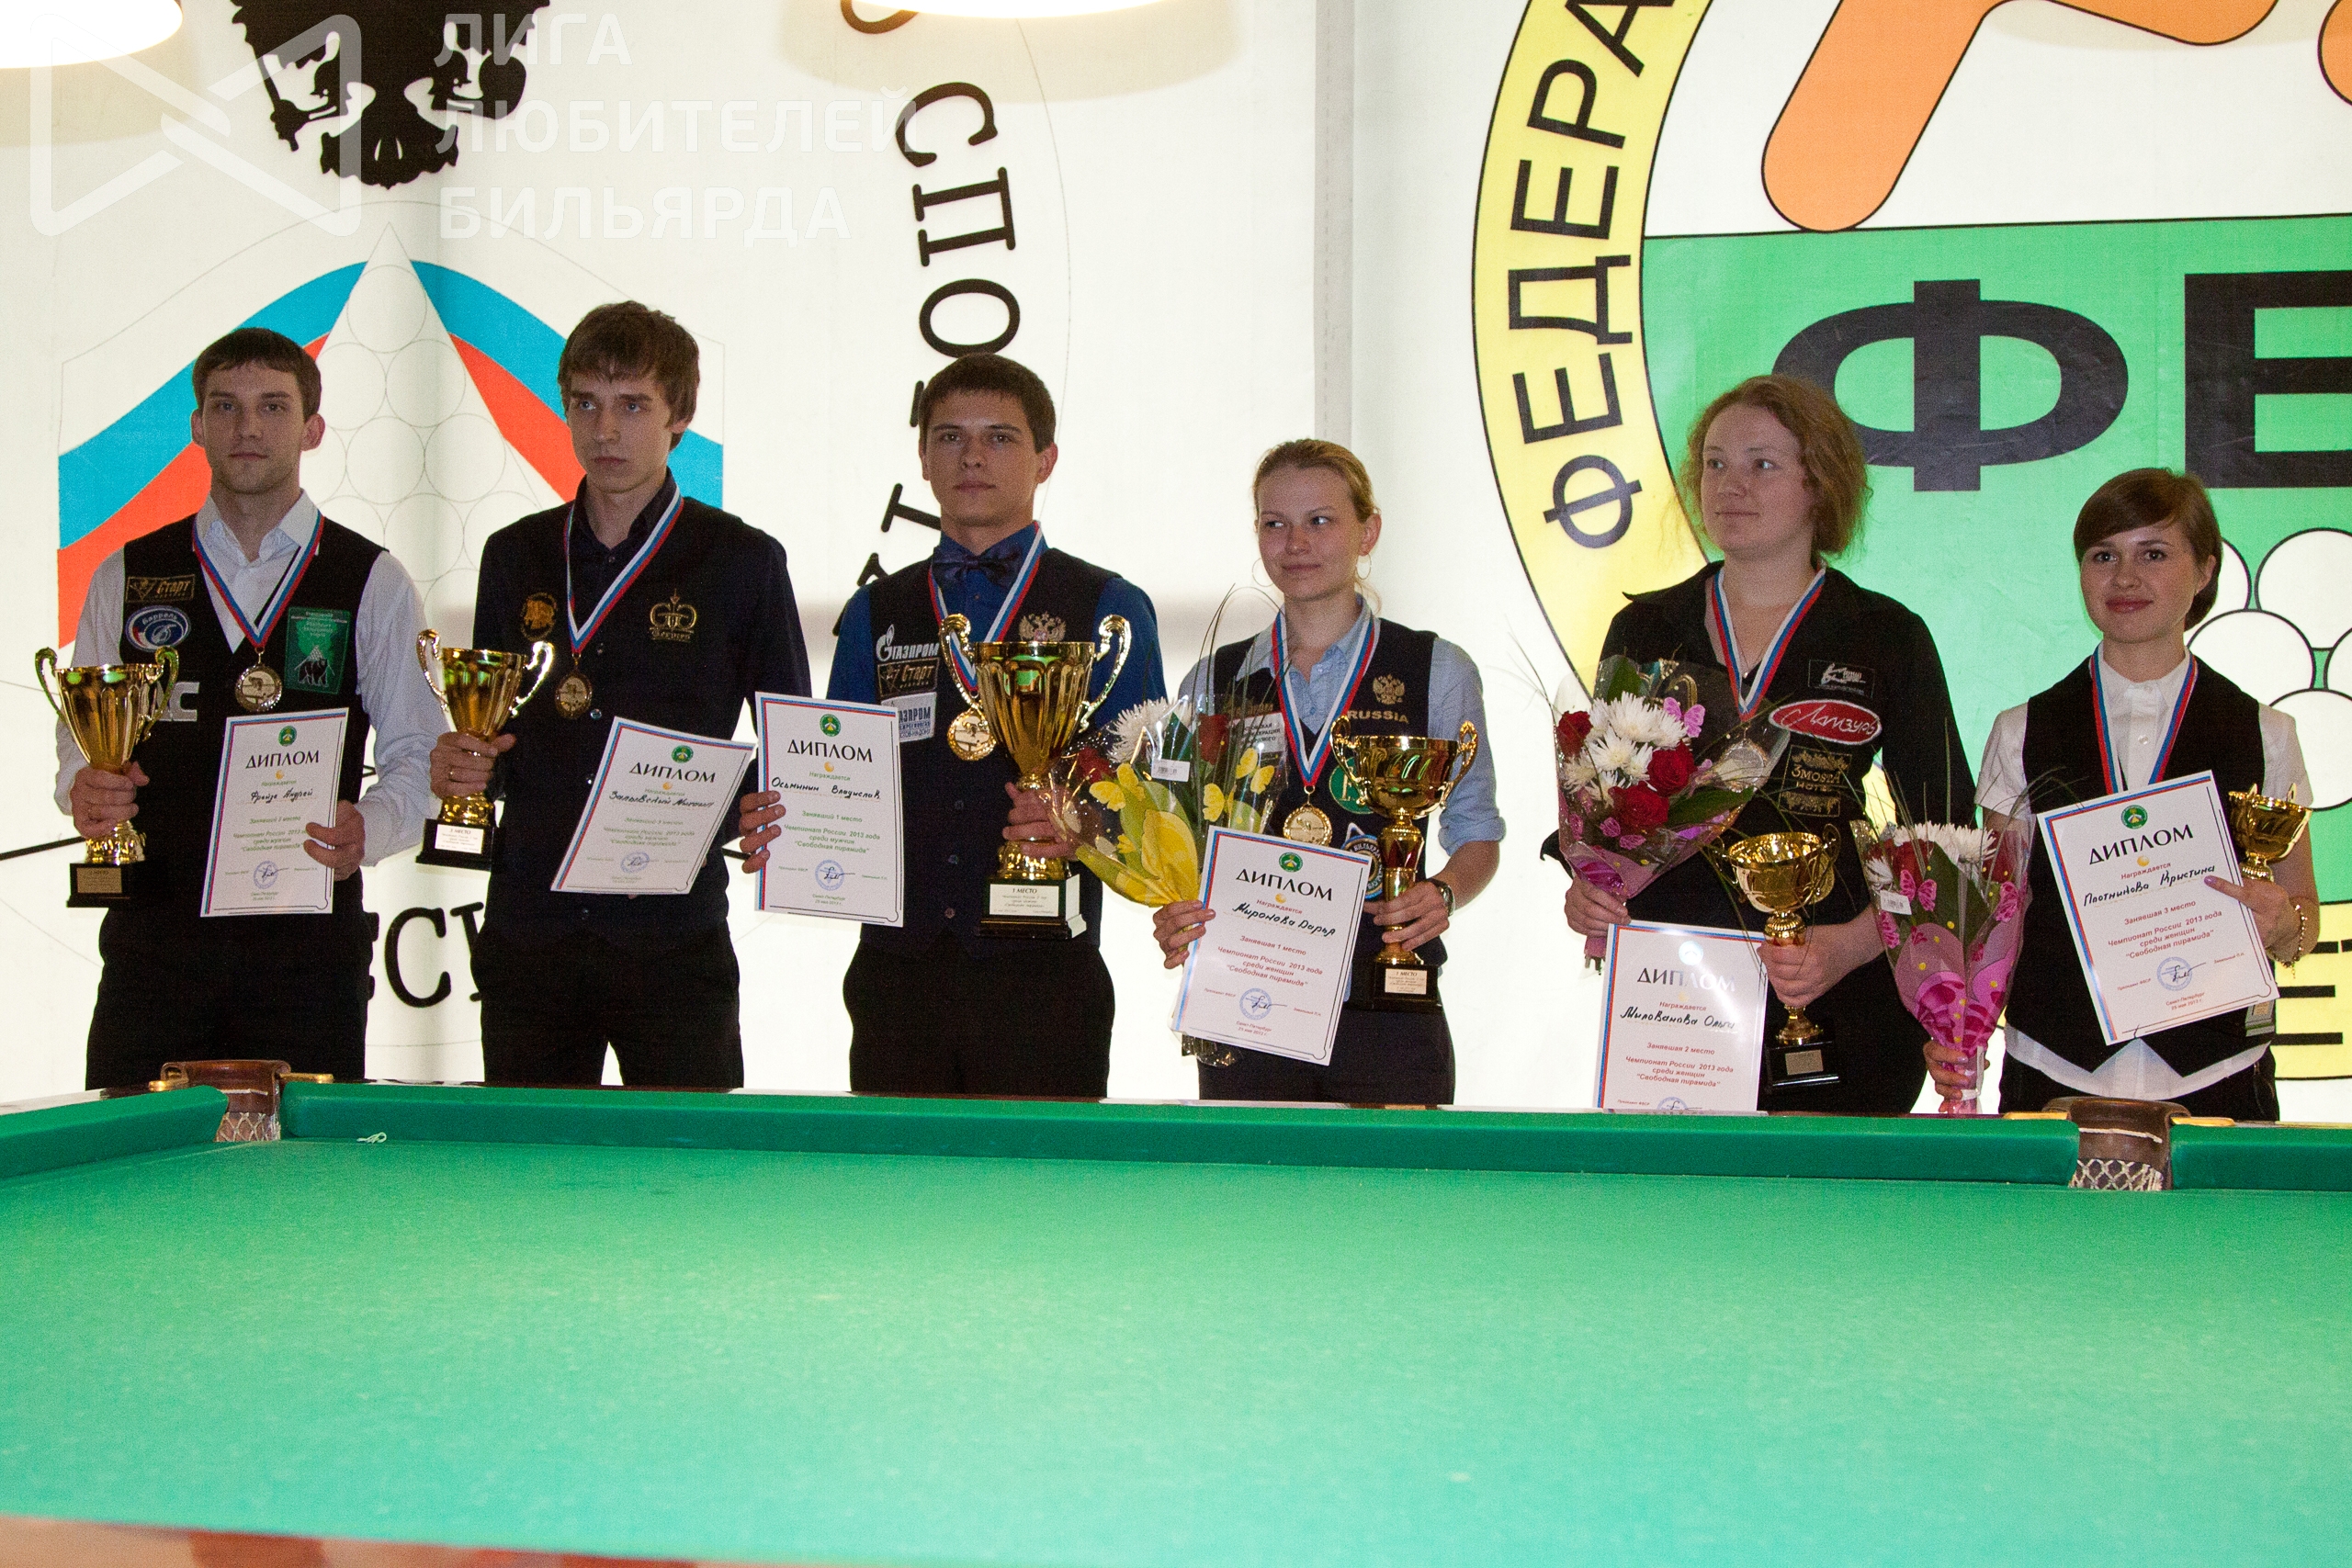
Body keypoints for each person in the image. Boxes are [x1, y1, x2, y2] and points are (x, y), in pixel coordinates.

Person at [741, 352, 1164, 1097]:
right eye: (950, 437)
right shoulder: (875, 611)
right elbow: (834, 770)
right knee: (896, 1175)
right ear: (923, 460)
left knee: (1038, 1174)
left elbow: (1152, 793)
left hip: (1045, 978)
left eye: (1000, 437)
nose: (972, 456)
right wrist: (783, 817)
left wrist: (1082, 825)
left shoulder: (1109, 606)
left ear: (1046, 460)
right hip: (897, 976)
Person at [1560, 374, 1972, 1113]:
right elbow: (1606, 809)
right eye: (1715, 463)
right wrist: (1590, 891)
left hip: (1837, 985)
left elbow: (1945, 832)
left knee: (1831, 1191)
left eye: (1763, 464)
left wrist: (1853, 944)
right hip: (1675, 994)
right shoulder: (1647, 628)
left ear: (1820, 484)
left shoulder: (1885, 636)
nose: (1731, 485)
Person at [431, 302, 809, 1089]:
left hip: (672, 938)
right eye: (586, 403)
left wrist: (742, 809)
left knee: (686, 1163)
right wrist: (468, 766)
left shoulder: (741, 561)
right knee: (530, 1159)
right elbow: (498, 738)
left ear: (680, 417)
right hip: (531, 934)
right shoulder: (514, 555)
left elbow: (791, 747)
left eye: (633, 405)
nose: (605, 430)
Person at [57, 326, 442, 1088]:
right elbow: (80, 744)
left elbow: (418, 754)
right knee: (138, 1157)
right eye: (225, 406)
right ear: (197, 426)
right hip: (154, 948)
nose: (248, 427)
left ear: (312, 428)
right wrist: (84, 788)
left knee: (305, 1163)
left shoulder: (371, 579)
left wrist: (369, 828)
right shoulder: (127, 575)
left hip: (307, 957)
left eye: (272, 406)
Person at [1142, 439, 1504, 1104]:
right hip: (1249, 1002)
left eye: (1320, 520)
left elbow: (1477, 831)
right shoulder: (1212, 680)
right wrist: (1176, 908)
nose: (1296, 543)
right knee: (1255, 1177)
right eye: (1274, 523)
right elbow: (1180, 839)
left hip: (1387, 1002)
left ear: (1369, 531)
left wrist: (1445, 893)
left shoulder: (1437, 669)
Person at [1966, 468, 2318, 1119]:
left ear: (2205, 569)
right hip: (2054, 1069)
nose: (2124, 578)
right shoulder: (2020, 730)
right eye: (2103, 556)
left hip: (2219, 1072)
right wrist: (1960, 1026)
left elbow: (2305, 916)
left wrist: (2282, 925)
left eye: (2153, 554)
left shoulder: (2268, 733)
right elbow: (1998, 911)